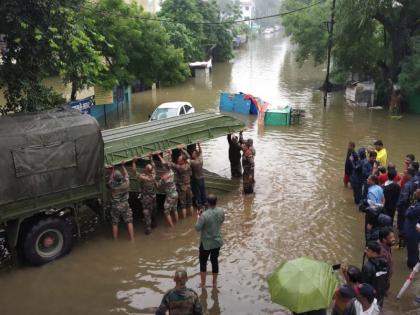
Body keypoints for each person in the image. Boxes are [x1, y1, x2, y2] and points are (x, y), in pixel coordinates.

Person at [195, 194, 225, 288]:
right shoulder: (221, 211)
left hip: (206, 244)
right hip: (217, 242)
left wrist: (198, 217)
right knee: (214, 261)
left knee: (203, 263)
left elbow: (197, 228)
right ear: (216, 202)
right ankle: (214, 283)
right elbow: (221, 221)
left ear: (207, 203)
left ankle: (203, 284)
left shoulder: (204, 215)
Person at [107, 163, 134, 240]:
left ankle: (115, 240)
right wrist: (123, 165)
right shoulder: (126, 184)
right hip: (125, 205)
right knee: (129, 221)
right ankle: (132, 239)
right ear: (121, 177)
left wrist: (112, 169)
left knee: (115, 223)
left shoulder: (112, 185)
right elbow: (126, 175)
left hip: (115, 206)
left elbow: (110, 178)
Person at [132, 155, 157, 235]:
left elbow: (134, 172)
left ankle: (148, 228)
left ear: (146, 170)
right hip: (153, 196)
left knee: (146, 212)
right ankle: (154, 224)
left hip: (146, 198)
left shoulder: (144, 177)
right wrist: (151, 158)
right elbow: (154, 166)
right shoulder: (153, 175)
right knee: (153, 210)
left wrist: (133, 162)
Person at [361, 242, 389, 308]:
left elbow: (364, 286)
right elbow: (386, 280)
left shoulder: (367, 267)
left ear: (375, 253)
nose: (365, 251)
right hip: (380, 297)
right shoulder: (384, 263)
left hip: (370, 299)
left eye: (368, 250)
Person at [170, 146, 194, 219]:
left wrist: (170, 154)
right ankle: (192, 217)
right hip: (188, 186)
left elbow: (170, 163)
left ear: (182, 161)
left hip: (182, 186)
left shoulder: (179, 167)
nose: (177, 160)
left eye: (179, 159)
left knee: (183, 205)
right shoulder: (188, 164)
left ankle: (184, 220)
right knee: (190, 203)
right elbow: (188, 157)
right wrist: (182, 149)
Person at [158, 152, 179, 228]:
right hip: (175, 194)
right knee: (175, 209)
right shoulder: (171, 172)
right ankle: (177, 224)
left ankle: (172, 227)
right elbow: (166, 163)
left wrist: (154, 179)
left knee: (166, 212)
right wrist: (159, 156)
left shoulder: (164, 178)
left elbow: (158, 186)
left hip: (170, 196)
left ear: (164, 168)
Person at [397, 167, 416, 247]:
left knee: (402, 225)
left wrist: (397, 205)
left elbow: (404, 199)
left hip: (404, 208)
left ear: (409, 175)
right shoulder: (416, 182)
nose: (404, 175)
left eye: (405, 174)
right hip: (412, 207)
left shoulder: (407, 185)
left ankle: (401, 243)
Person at [404, 189, 420, 269]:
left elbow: (407, 213)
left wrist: (411, 206)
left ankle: (413, 266)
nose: (414, 193)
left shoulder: (417, 207)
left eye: (416, 193)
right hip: (414, 229)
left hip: (413, 230)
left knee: (412, 249)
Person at [378, 227, 396, 292]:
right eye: (391, 238)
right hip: (381, 283)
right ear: (384, 240)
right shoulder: (382, 253)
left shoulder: (387, 246)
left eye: (393, 236)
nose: (394, 239)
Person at [190, 143, 206, 210]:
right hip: (202, 178)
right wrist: (199, 144)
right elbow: (201, 152)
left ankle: (199, 205)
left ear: (195, 155)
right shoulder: (200, 159)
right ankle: (205, 202)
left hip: (196, 179)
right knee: (202, 191)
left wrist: (182, 149)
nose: (191, 154)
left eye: (193, 153)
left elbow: (186, 158)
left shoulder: (193, 162)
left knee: (197, 192)